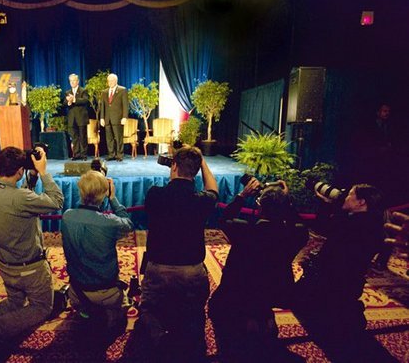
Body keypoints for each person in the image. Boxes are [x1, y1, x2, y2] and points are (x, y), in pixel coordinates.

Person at [127, 146, 218, 362]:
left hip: (158, 269)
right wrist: (201, 162)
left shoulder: (154, 194)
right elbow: (213, 189)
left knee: (149, 310)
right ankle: (188, 346)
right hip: (192, 271)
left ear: (174, 165)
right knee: (194, 311)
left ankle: (158, 341)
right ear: (196, 171)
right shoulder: (201, 200)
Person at [292, 184, 397, 362]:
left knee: (300, 304)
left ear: (361, 202)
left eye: (350, 195)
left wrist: (325, 205)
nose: (345, 197)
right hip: (349, 283)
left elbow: (321, 226)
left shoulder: (350, 223)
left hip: (329, 282)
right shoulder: (374, 223)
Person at [209, 178, 307, 362]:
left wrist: (242, 195)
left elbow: (223, 219)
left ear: (260, 206)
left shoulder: (244, 230)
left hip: (237, 292)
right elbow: (301, 224)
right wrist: (287, 201)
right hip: (273, 291)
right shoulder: (294, 234)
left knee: (217, 308)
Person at [0, 146, 64, 341]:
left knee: (14, 302)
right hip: (30, 268)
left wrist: (32, 175)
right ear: (19, 171)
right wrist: (43, 172)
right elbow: (57, 201)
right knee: (42, 308)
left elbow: (20, 200)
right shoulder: (20, 198)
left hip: (6, 265)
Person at [61, 170, 134, 357]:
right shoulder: (110, 222)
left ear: (81, 192)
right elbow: (128, 224)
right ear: (104, 194)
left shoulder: (67, 216)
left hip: (77, 291)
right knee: (117, 321)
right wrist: (114, 198)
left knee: (89, 314)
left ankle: (85, 314)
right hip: (106, 293)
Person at [100, 73, 128, 162]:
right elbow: (102, 106)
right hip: (107, 118)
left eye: (112, 80)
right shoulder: (104, 92)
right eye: (109, 81)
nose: (110, 82)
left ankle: (119, 155)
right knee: (109, 138)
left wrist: (124, 117)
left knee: (118, 137)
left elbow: (125, 105)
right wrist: (102, 118)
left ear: (116, 81)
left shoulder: (122, 90)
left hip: (118, 118)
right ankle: (111, 154)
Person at [65, 73, 89, 161]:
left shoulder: (83, 90)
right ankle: (76, 154)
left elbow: (85, 100)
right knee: (74, 137)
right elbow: (64, 103)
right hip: (72, 118)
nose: (72, 82)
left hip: (81, 118)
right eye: (71, 81)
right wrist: (69, 102)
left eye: (74, 80)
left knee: (83, 137)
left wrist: (74, 99)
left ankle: (84, 154)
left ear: (77, 81)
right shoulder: (67, 92)